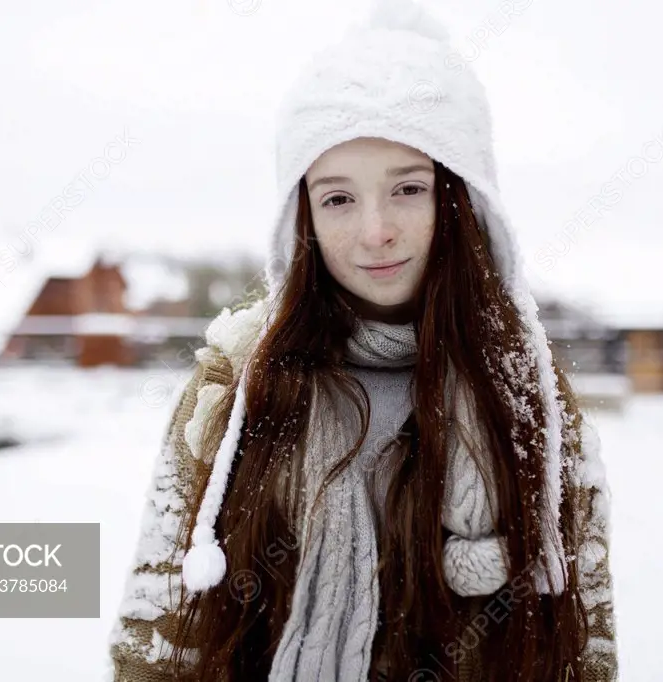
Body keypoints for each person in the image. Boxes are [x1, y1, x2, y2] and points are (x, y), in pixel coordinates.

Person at [108, 1, 617, 680]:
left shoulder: (527, 396)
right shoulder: (237, 383)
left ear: (459, 201)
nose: (375, 231)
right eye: (338, 198)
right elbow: (159, 638)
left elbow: (584, 648)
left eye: (407, 188)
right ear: (303, 218)